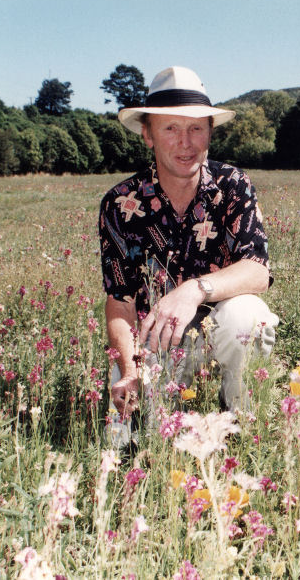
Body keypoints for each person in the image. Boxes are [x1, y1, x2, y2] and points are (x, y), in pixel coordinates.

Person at [99, 66, 278, 430]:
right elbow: (120, 301)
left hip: (217, 329)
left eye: (196, 128)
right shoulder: (121, 202)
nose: (186, 142)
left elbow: (257, 269)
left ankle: (241, 424)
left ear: (209, 132)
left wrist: (192, 291)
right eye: (171, 128)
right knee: (127, 436)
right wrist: (131, 368)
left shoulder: (233, 185)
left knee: (249, 316)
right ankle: (151, 410)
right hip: (157, 341)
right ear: (148, 135)